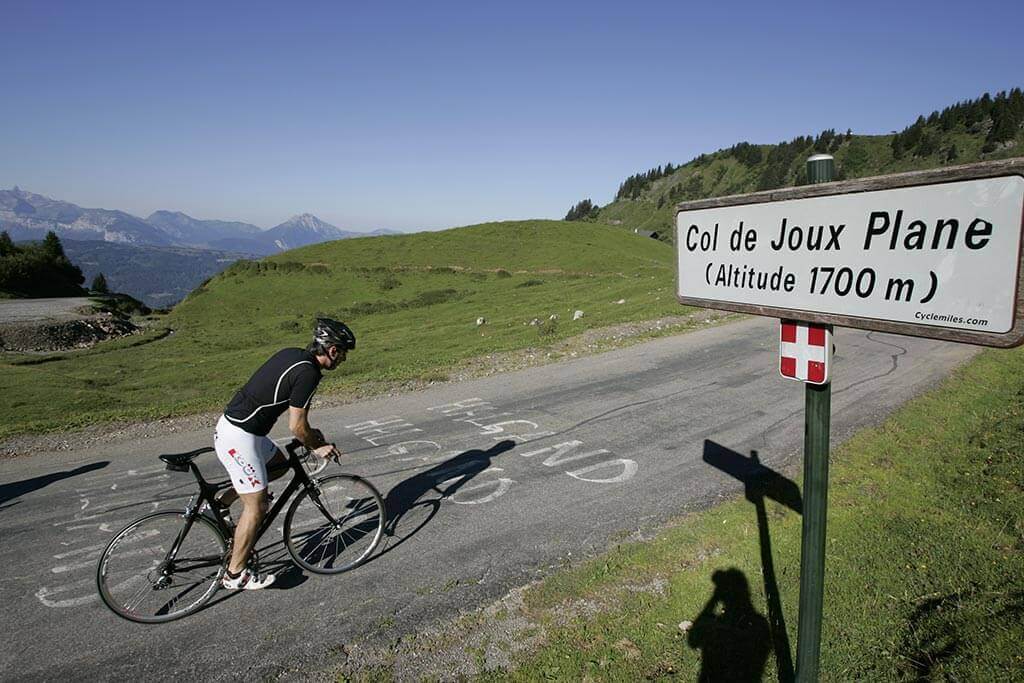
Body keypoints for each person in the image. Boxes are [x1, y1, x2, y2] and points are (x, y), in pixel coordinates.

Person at [212, 317, 355, 590]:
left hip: (241, 430)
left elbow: (300, 425)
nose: (343, 360)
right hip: (240, 437)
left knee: (278, 465)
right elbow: (296, 426)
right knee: (257, 507)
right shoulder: (309, 373)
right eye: (343, 353)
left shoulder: (294, 354)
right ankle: (234, 574)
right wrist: (317, 445)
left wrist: (311, 436)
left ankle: (221, 502)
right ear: (332, 350)